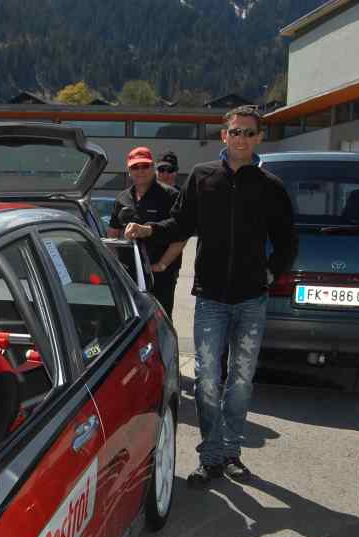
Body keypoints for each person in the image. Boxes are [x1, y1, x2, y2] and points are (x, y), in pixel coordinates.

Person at [124, 106, 297, 486]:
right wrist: (149, 229)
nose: (241, 138)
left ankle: (231, 453)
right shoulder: (203, 177)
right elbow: (182, 223)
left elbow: (287, 240)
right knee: (206, 380)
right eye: (235, 131)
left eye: (249, 133)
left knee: (241, 380)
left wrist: (270, 273)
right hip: (210, 298)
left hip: (251, 299)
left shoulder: (270, 186)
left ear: (259, 138)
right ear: (224, 135)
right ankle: (211, 456)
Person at [107, 146, 188, 317]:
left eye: (144, 166)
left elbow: (181, 234)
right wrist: (116, 265)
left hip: (160, 274)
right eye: (135, 167)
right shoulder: (122, 198)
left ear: (152, 167)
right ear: (129, 171)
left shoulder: (171, 196)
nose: (140, 171)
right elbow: (113, 233)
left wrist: (162, 265)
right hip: (129, 274)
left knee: (160, 319)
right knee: (130, 319)